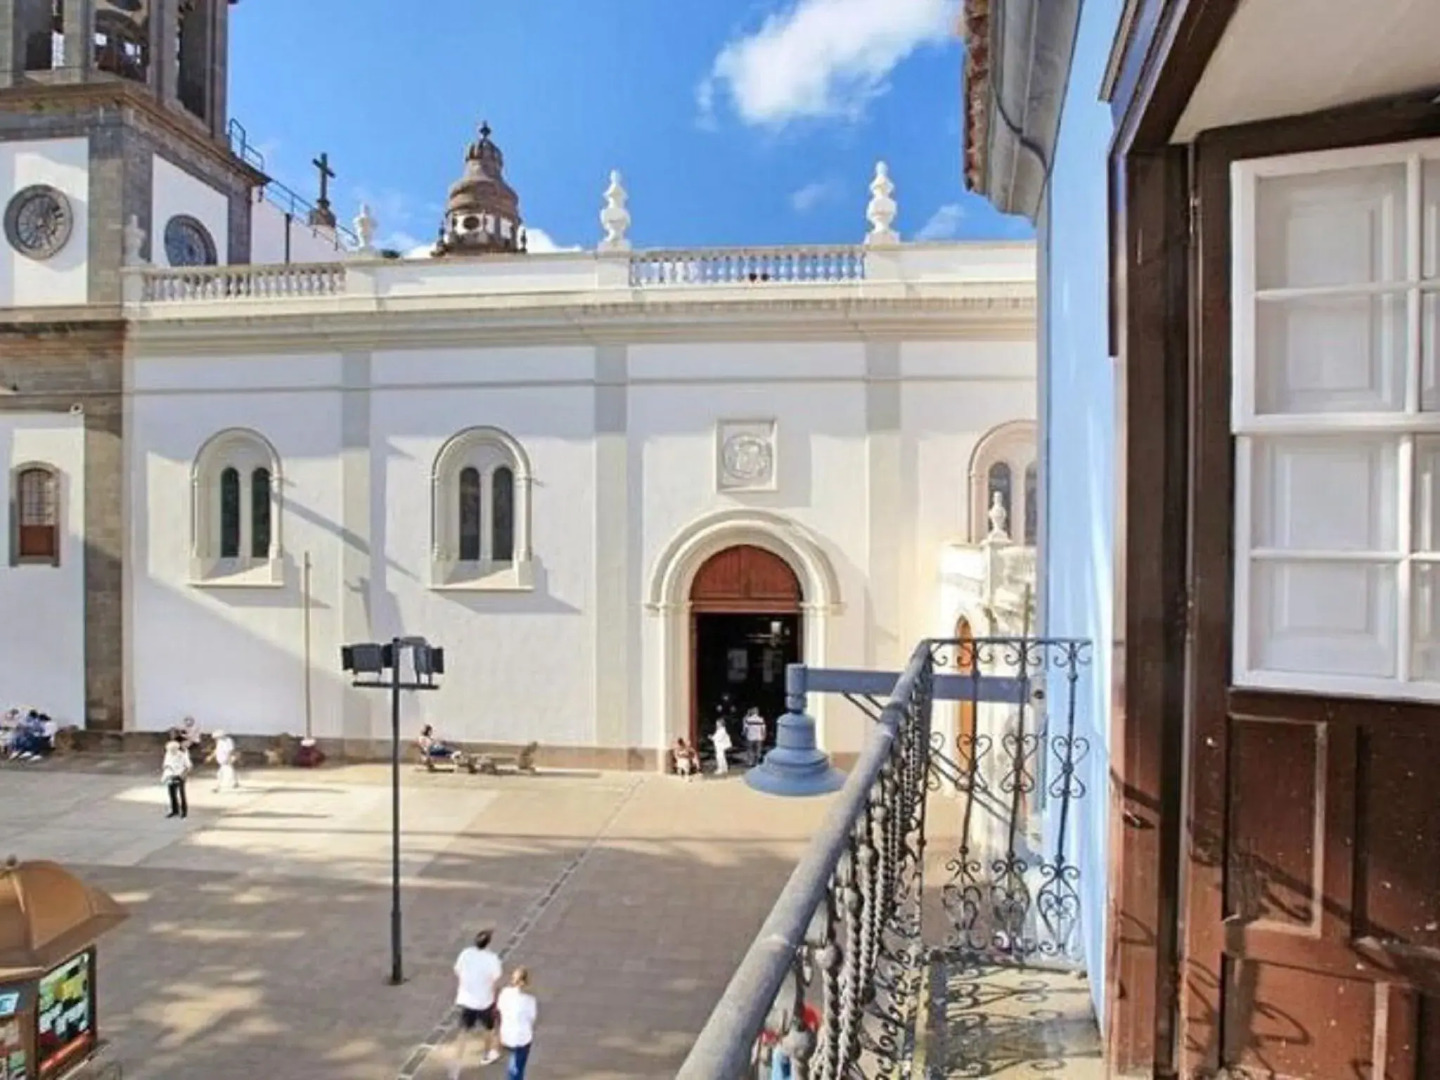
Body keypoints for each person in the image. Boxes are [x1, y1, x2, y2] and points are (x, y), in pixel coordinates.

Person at [448, 929, 503, 1078]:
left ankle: (456, 1065)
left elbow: (457, 970)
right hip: (484, 1001)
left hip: (467, 999)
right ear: (488, 943)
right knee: (488, 1029)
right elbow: (495, 979)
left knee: (463, 1032)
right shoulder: (492, 958)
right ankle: (486, 1054)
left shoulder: (465, 953)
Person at [496, 967, 537, 1080]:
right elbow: (532, 1018)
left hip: (506, 1034)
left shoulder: (504, 993)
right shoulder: (529, 1000)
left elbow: (499, 1009)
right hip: (521, 1037)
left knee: (514, 1062)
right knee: (517, 1067)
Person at [161, 738, 191, 819]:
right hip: (171, 775)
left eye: (172, 750)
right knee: (172, 794)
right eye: (170, 750)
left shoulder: (182, 755)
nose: (171, 751)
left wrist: (183, 775)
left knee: (181, 794)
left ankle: (184, 812)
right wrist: (167, 770)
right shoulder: (168, 754)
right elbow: (165, 764)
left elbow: (188, 766)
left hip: (180, 775)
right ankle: (174, 810)